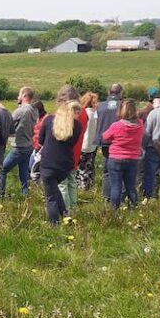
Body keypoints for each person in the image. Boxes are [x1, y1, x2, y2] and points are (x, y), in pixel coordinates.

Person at [38, 100, 82, 223]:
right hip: (65, 165)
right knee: (54, 189)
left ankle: (54, 224)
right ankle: (65, 214)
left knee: (50, 197)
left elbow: (40, 140)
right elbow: (73, 144)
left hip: (48, 163)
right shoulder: (77, 126)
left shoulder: (48, 120)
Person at [101, 98, 144, 208]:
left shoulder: (117, 125)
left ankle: (114, 209)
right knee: (131, 186)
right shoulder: (140, 124)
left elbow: (105, 137)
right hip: (132, 158)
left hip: (116, 158)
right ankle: (133, 206)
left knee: (116, 186)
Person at [55, 85, 87, 213]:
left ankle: (65, 209)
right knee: (72, 181)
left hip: (63, 151)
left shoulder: (65, 112)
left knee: (62, 183)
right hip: (77, 148)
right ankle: (73, 208)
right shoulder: (82, 111)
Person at [0, 86, 36, 198]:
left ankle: (0, 194)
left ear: (24, 96)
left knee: (2, 169)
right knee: (24, 172)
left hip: (19, 146)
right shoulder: (34, 110)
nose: (17, 97)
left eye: (19, 94)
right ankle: (25, 195)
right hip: (29, 145)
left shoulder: (21, 111)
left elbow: (9, 122)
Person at [96, 83, 123, 200]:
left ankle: (107, 196)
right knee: (120, 171)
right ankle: (119, 197)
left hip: (105, 141)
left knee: (106, 171)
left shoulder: (100, 106)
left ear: (109, 92)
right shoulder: (123, 106)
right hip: (119, 142)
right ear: (121, 92)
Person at [76, 92, 99, 191]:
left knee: (80, 168)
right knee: (89, 167)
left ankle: (81, 186)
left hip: (82, 144)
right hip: (92, 145)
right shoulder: (96, 114)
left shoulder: (82, 114)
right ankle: (89, 185)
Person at [29, 100, 47, 183]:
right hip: (34, 146)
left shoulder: (46, 119)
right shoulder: (36, 118)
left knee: (33, 167)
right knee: (30, 167)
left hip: (41, 148)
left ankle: (37, 185)